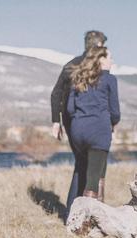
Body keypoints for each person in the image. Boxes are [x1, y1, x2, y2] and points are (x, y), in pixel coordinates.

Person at [50, 31, 107, 221]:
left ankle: (74, 212)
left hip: (73, 123)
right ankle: (82, 214)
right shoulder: (98, 65)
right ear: (98, 44)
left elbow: (55, 94)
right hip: (89, 123)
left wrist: (56, 121)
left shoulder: (71, 64)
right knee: (88, 167)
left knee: (81, 165)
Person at [66, 46, 120, 202]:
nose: (112, 60)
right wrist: (112, 124)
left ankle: (75, 214)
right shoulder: (109, 79)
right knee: (94, 180)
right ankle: (87, 222)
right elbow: (115, 111)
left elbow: (70, 109)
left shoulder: (78, 78)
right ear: (101, 59)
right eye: (110, 57)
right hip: (98, 131)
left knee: (82, 171)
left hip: (78, 131)